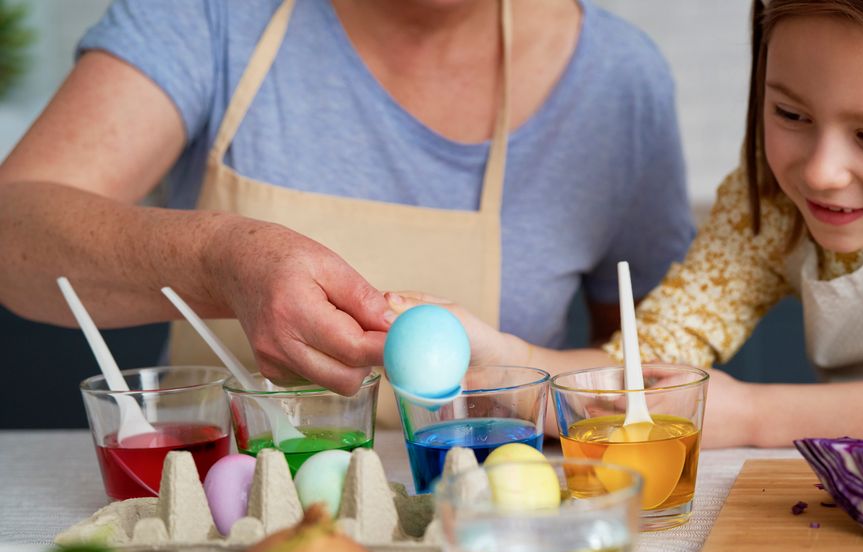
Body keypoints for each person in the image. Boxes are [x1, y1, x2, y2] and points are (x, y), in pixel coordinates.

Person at [389, 0, 863, 449]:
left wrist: (749, 413)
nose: (818, 169)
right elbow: (660, 357)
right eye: (788, 113)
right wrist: (513, 362)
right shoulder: (777, 189)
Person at [0, 0, 693, 425]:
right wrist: (222, 261)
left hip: (480, 550)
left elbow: (647, 377)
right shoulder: (210, 15)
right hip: (220, 534)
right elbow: (12, 229)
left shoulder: (616, 81)